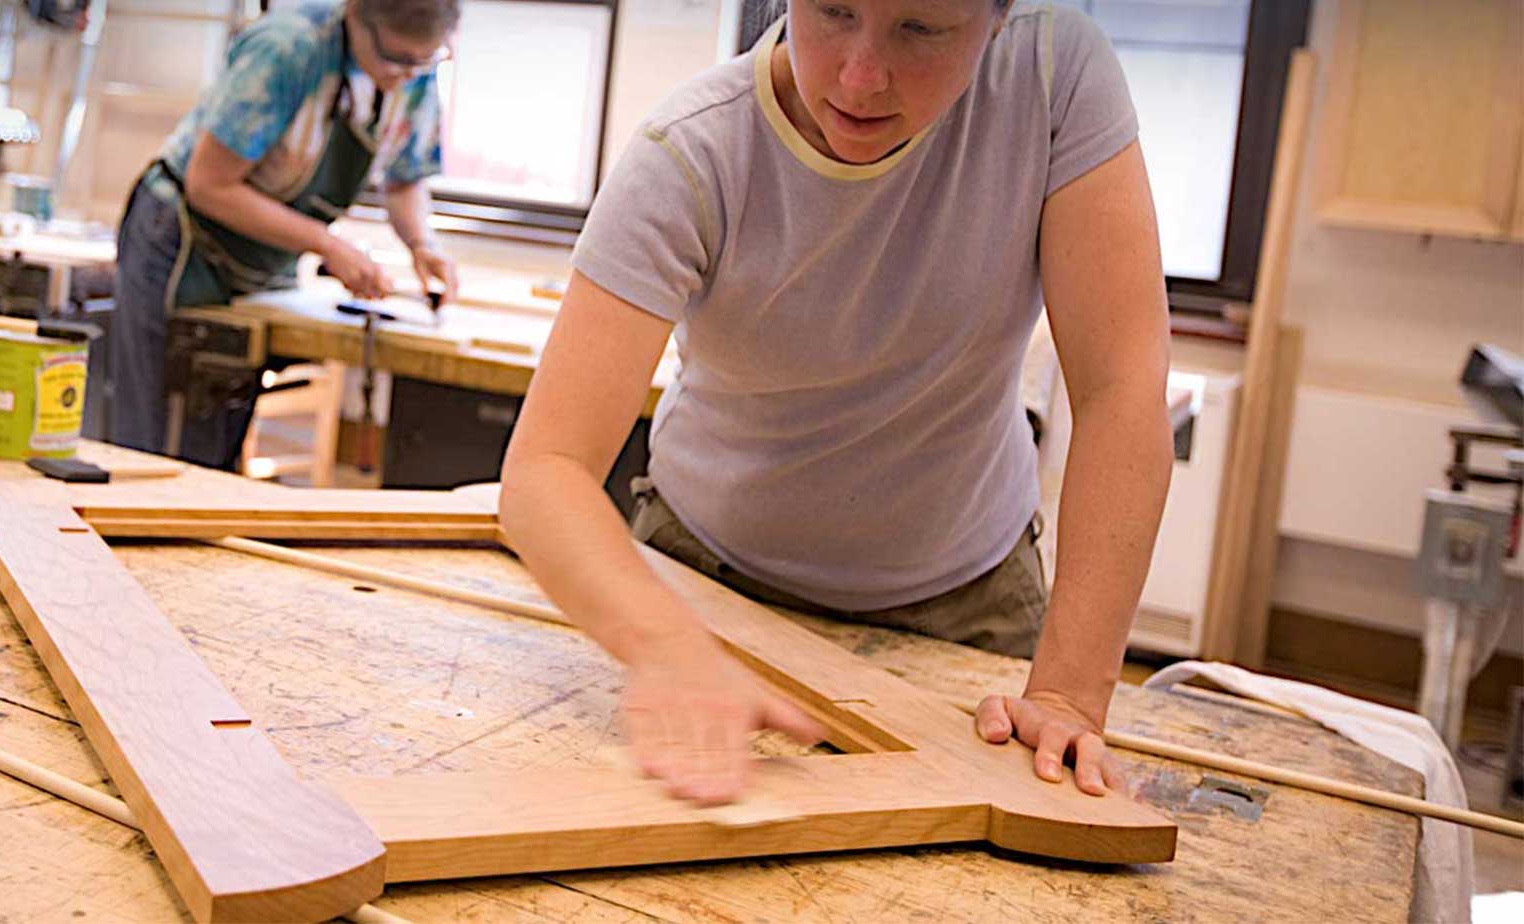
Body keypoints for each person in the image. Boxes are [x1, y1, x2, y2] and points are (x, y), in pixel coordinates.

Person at [499, 0, 1173, 806]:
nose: (861, 77)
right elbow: (545, 470)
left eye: (921, 31)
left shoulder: (1053, 76)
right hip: (704, 584)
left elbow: (1120, 389)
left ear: (998, 17)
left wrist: (1067, 694)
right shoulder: (691, 150)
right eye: (831, 12)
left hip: (968, 595)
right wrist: (665, 645)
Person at [92, 0, 461, 467]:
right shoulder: (288, 50)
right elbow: (209, 185)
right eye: (395, 59)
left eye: (423, 61)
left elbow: (406, 177)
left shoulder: (415, 68)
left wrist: (421, 244)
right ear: (355, 15)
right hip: (183, 237)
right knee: (157, 429)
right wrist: (326, 243)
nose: (407, 75)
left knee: (220, 427)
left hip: (266, 249)